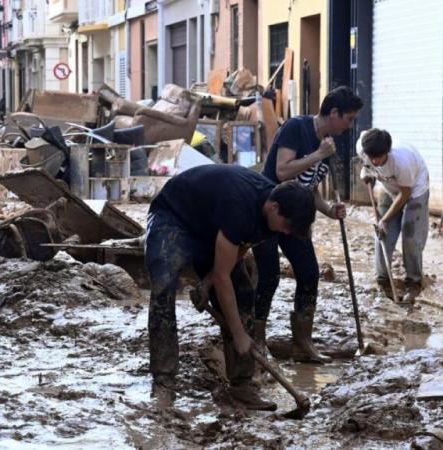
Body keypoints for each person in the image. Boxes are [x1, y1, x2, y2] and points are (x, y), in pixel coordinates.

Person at [145, 164, 316, 409]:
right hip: (174, 217)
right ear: (274, 207)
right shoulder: (241, 207)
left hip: (214, 228)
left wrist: (206, 283)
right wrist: (238, 334)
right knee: (163, 285)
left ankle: (242, 385)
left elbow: (239, 248)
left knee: (244, 294)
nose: (287, 232)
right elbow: (223, 276)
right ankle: (163, 382)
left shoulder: (272, 215)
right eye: (287, 225)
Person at [252, 86, 363, 363]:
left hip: (297, 215)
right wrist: (318, 154)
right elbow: (282, 170)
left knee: (309, 272)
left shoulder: (329, 143)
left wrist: (328, 209)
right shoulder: (297, 128)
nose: (350, 126)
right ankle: (257, 340)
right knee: (269, 275)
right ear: (334, 113)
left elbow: (309, 186)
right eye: (348, 119)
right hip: (271, 210)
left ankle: (303, 342)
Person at [358, 128, 429, 303]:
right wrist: (366, 171)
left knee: (410, 235)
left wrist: (384, 218)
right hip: (389, 188)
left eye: (379, 157)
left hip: (414, 191)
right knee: (382, 234)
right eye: (371, 157)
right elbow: (365, 150)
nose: (375, 161)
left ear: (387, 152)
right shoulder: (364, 148)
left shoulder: (401, 162)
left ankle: (413, 282)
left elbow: (404, 194)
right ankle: (383, 281)